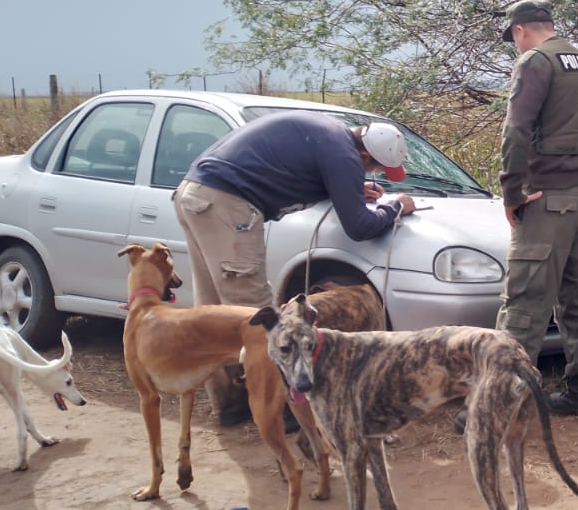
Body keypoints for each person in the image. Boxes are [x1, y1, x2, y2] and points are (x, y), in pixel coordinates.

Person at [173, 111, 417, 423]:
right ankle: (284, 407)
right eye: (376, 168)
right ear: (365, 155)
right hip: (227, 203)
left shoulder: (331, 136)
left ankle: (231, 404)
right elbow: (359, 227)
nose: (375, 174)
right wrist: (395, 207)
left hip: (197, 193)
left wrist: (347, 190)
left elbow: (294, 170)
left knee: (215, 309)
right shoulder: (343, 154)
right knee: (257, 314)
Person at [489, 0, 578, 418]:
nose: (516, 45)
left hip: (548, 198)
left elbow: (516, 129)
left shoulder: (535, 61)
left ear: (520, 30)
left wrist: (512, 192)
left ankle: (499, 400)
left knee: (525, 296)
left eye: (514, 38)